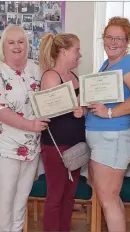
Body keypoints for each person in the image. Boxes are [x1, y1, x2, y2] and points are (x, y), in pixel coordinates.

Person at [0, 25, 48, 231]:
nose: (17, 46)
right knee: (4, 206)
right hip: (6, 147)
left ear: (27, 44)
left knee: (21, 203)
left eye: (21, 41)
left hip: (31, 147)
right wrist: (29, 124)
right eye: (11, 42)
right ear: (3, 45)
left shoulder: (35, 68)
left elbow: (45, 100)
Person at [86, 16, 130, 232]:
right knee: (110, 198)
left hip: (112, 139)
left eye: (119, 38)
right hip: (103, 139)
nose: (113, 42)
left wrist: (109, 112)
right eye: (109, 37)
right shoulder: (107, 64)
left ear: (127, 41)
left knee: (108, 200)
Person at [37, 32, 85, 232]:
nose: (79, 55)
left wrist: (83, 110)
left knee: (69, 197)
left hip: (75, 145)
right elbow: (48, 112)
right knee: (55, 197)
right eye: (77, 50)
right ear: (64, 52)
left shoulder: (74, 76)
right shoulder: (50, 76)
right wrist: (72, 109)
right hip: (56, 145)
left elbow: (80, 108)